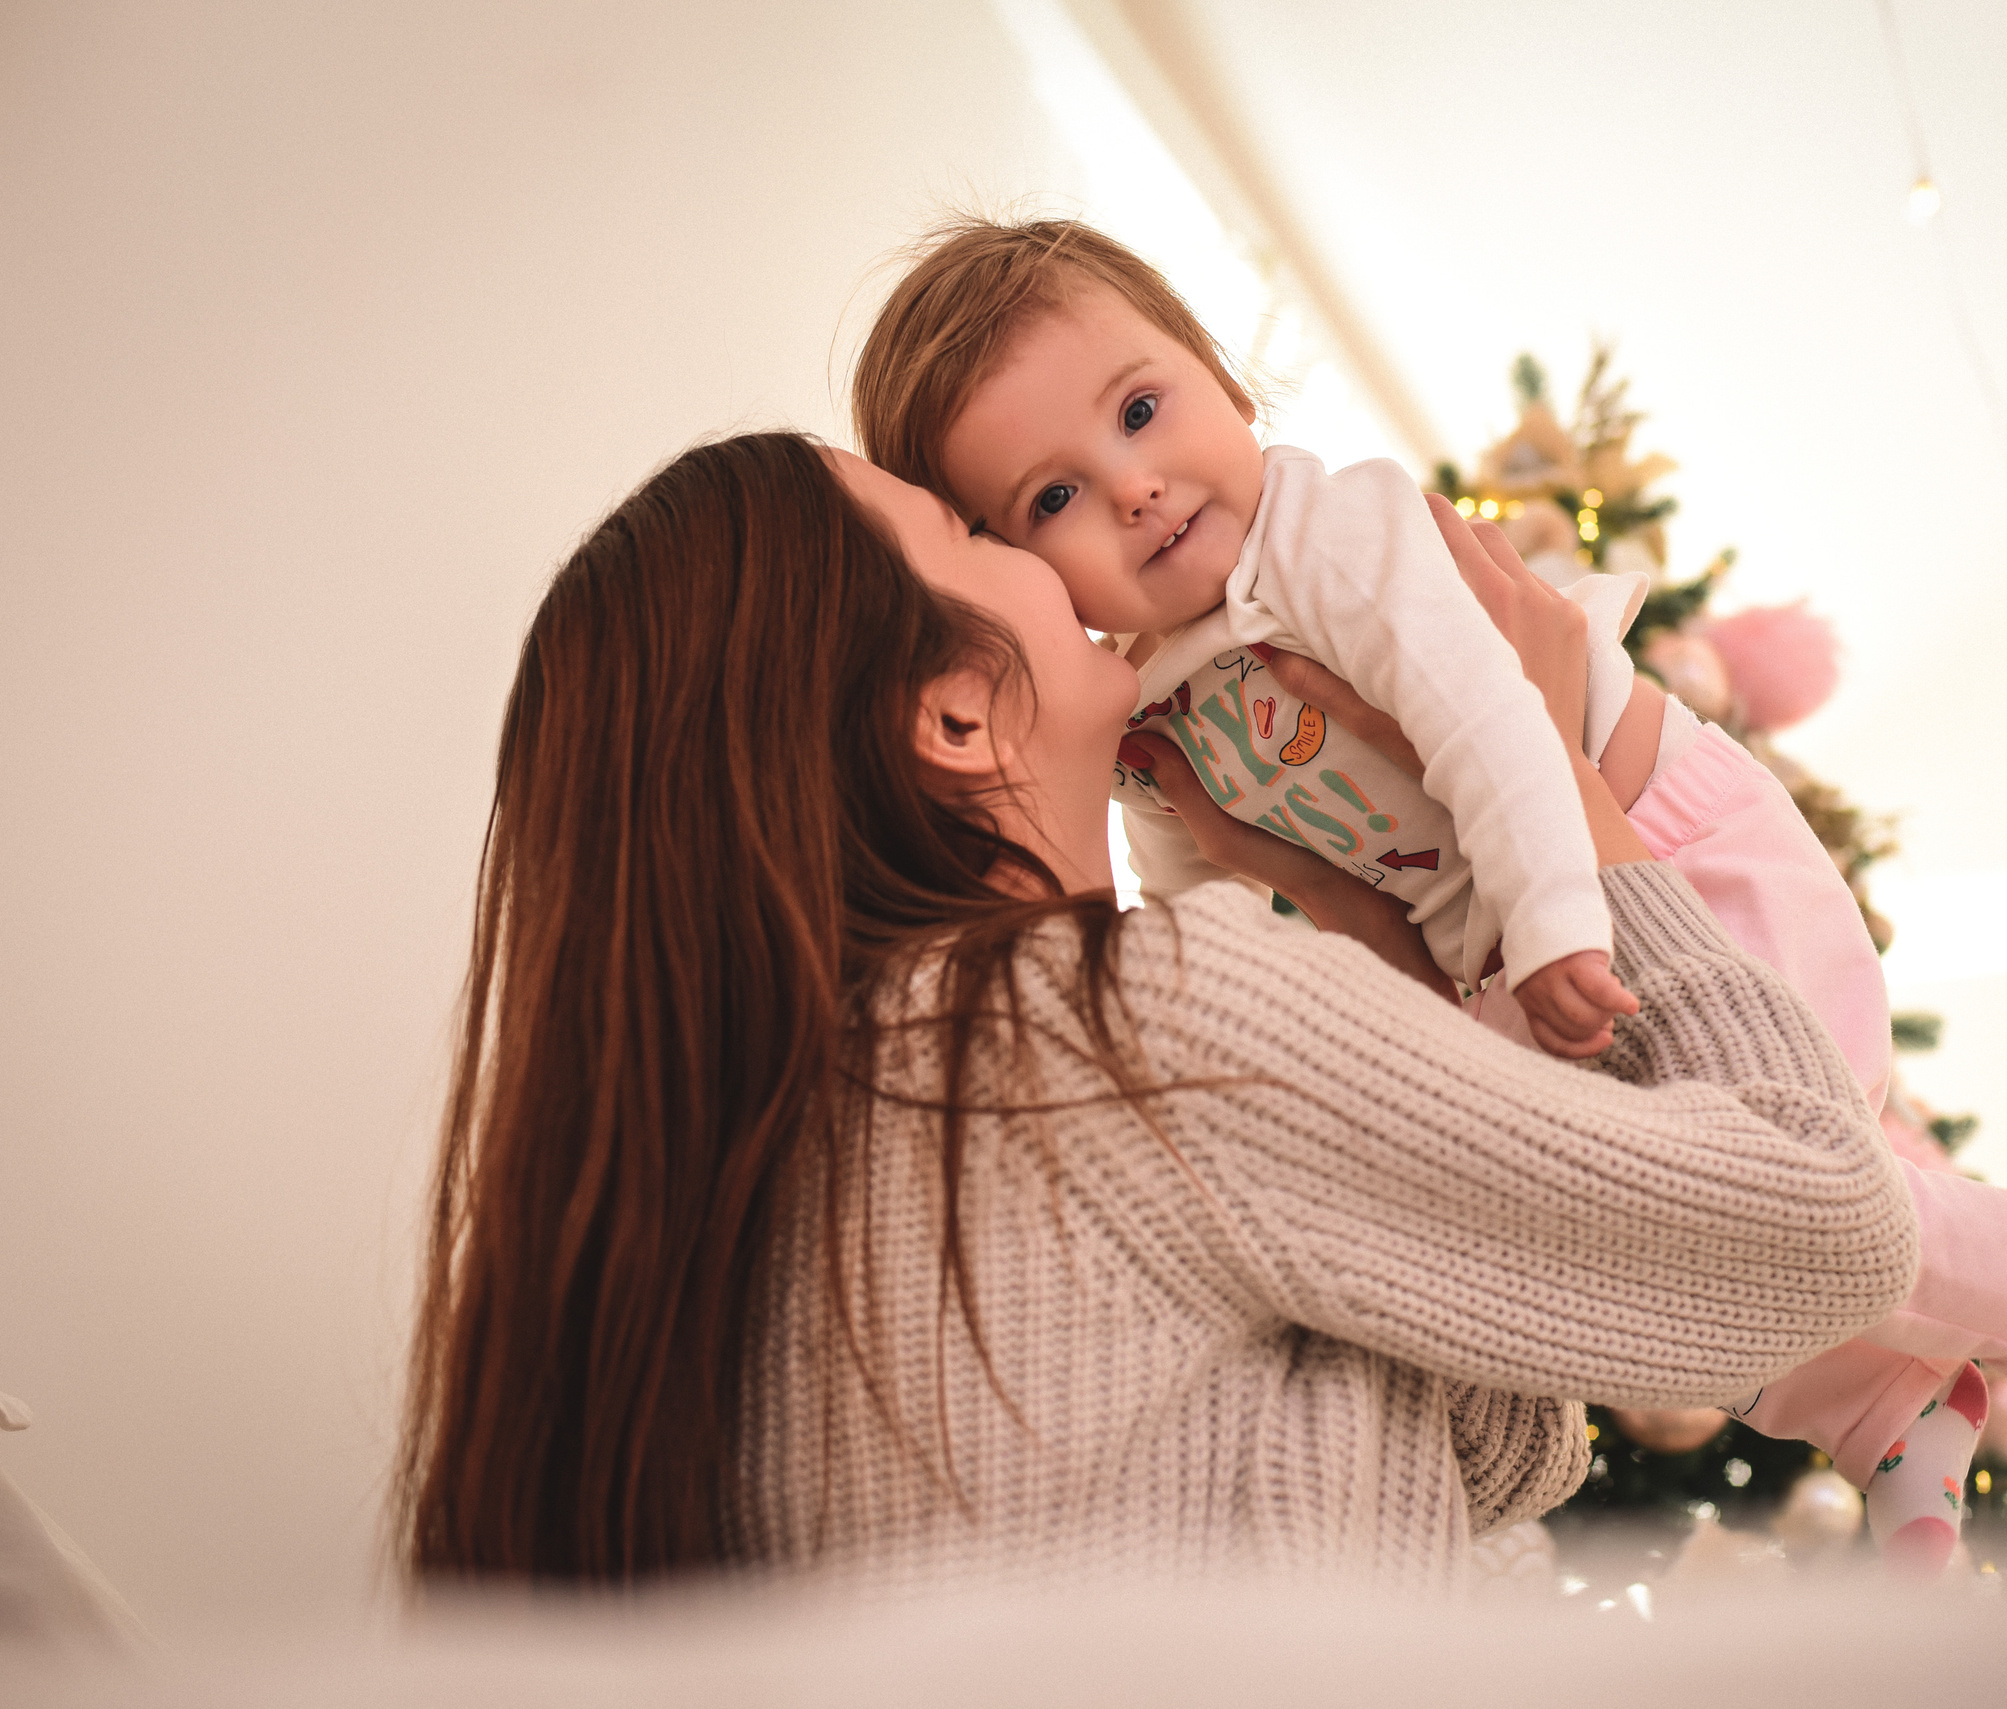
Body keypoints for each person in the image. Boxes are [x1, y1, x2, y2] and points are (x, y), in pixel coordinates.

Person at [396, 431, 1924, 1591]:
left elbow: (1487, 1448)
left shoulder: (750, 1191)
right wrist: (1556, 769)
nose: (1059, 557)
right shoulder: (1093, 1028)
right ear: (950, 711)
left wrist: (1371, 933)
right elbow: (1823, 1220)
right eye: (971, 533)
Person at [849, 218, 2007, 1569]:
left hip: (1648, 848)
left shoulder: (1329, 538)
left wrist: (1557, 920)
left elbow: (1490, 723)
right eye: (1051, 499)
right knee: (1645, 1237)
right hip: (1497, 949)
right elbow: (1193, 909)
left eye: (1142, 410)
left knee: (1788, 1164)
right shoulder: (1153, 702)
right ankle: (1891, 1410)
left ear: (1222, 379)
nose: (1135, 490)